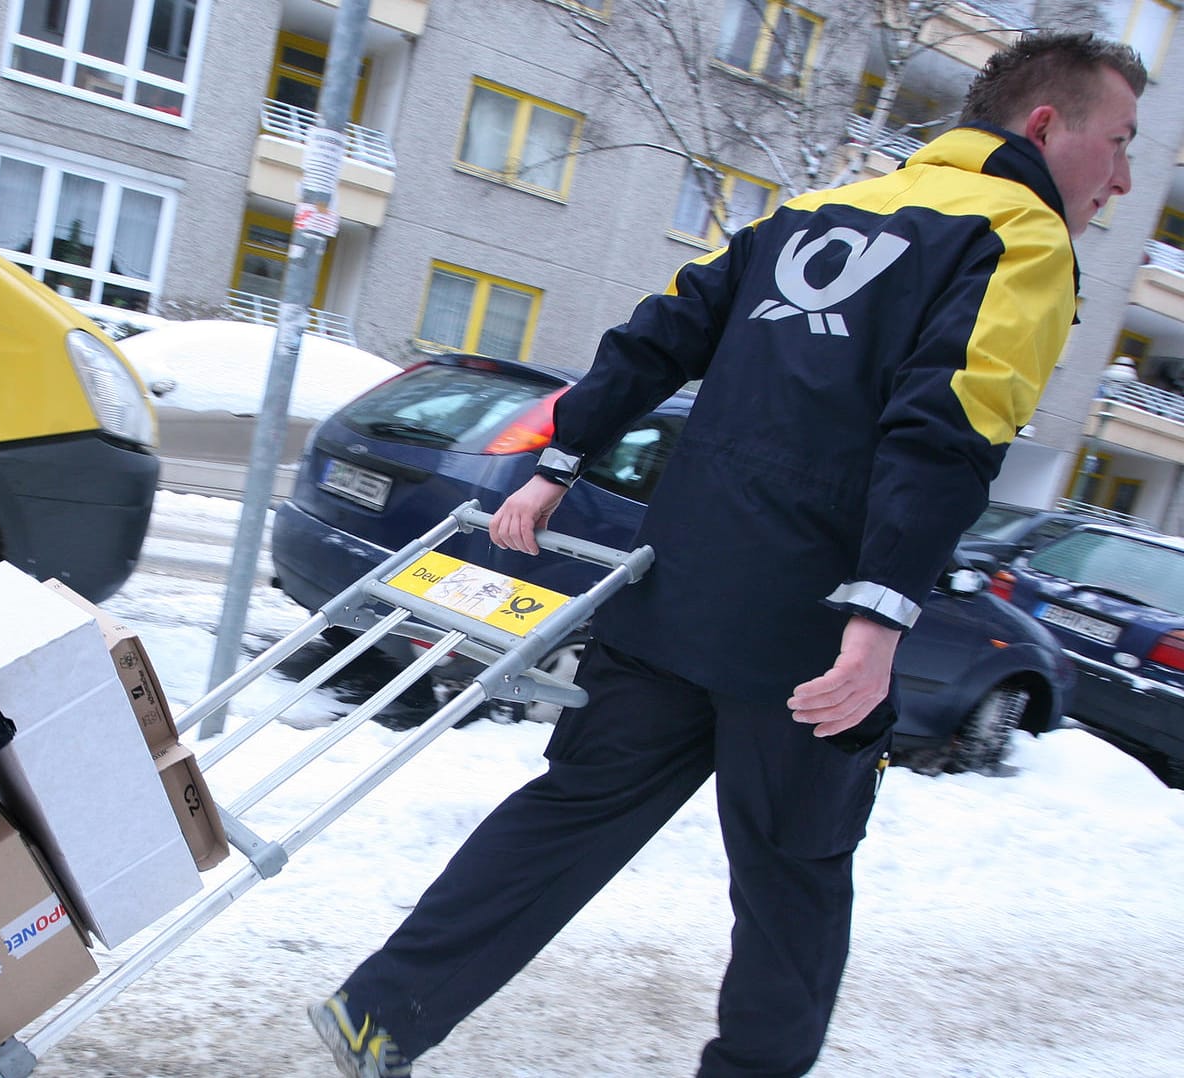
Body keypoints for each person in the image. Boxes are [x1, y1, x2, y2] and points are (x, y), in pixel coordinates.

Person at [310, 31, 1144, 1078]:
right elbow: (947, 430)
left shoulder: (819, 208)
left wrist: (557, 460)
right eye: (1117, 141)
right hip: (806, 634)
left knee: (573, 812)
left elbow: (660, 334)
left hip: (674, 593)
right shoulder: (1019, 235)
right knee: (796, 877)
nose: (1119, 176)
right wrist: (881, 614)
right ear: (1042, 126)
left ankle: (382, 1010)